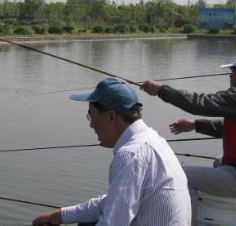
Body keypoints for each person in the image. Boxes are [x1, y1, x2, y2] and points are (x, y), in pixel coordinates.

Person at [31, 77, 191, 226]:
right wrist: (59, 216)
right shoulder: (155, 141)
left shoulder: (130, 154)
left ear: (112, 117)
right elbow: (114, 202)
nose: (91, 125)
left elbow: (113, 222)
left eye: (91, 115)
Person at [140, 53, 236, 199]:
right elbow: (229, 128)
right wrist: (196, 125)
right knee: (219, 162)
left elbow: (199, 103)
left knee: (174, 175)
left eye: (233, 72)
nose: (230, 76)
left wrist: (161, 90)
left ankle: (185, 220)